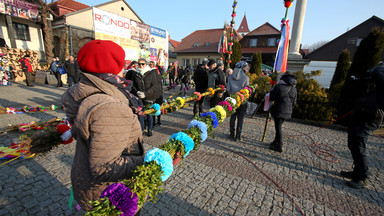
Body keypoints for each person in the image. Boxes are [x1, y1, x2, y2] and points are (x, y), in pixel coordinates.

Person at [61, 40, 144, 211]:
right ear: (110, 68)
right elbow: (104, 167)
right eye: (121, 64)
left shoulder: (85, 90)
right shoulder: (110, 106)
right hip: (112, 195)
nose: (124, 69)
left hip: (91, 187)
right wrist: (148, 161)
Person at [340, 63, 384, 189]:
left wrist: (375, 69)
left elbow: (377, 73)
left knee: (359, 147)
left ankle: (363, 177)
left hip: (369, 118)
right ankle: (357, 171)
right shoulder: (378, 87)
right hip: (361, 115)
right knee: (353, 144)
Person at [269, 73, 298, 152]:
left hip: (279, 109)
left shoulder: (279, 86)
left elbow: (272, 98)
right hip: (288, 111)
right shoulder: (294, 89)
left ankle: (279, 145)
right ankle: (275, 142)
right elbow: (294, 102)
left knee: (278, 128)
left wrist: (271, 91)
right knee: (279, 127)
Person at [135, 58, 163, 136]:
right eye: (139, 64)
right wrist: (137, 92)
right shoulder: (136, 74)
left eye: (143, 64)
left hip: (149, 97)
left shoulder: (151, 73)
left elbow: (154, 86)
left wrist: (146, 93)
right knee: (140, 114)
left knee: (149, 114)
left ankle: (150, 129)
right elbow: (134, 85)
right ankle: (142, 129)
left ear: (146, 64)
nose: (141, 66)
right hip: (140, 98)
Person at [227, 61, 250, 142]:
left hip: (233, 100)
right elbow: (247, 92)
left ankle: (231, 134)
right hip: (243, 101)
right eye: (247, 68)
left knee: (232, 117)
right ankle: (238, 136)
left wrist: (233, 93)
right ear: (243, 68)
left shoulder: (230, 77)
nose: (248, 69)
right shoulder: (246, 78)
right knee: (240, 119)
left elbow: (228, 90)